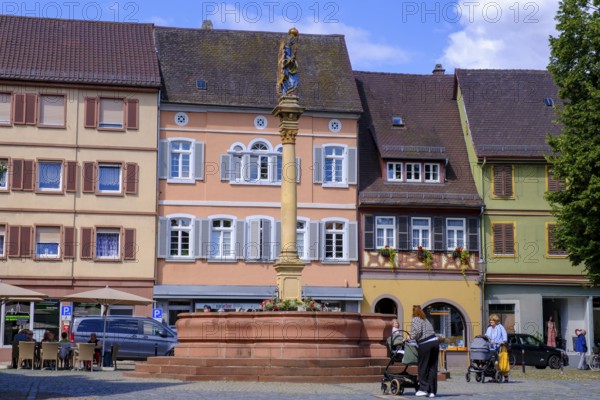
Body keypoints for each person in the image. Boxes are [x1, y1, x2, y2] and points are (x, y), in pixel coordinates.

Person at [410, 305, 439, 398]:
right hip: (435, 342)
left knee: (423, 366)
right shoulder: (426, 320)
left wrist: (410, 337)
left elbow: (417, 331)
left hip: (425, 343)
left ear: (413, 312)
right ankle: (432, 391)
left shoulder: (416, 319)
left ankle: (423, 389)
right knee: (432, 367)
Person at [485, 314, 509, 382]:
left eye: (492, 321)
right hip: (491, 347)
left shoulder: (500, 327)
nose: (491, 322)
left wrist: (503, 341)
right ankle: (493, 376)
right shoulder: (489, 328)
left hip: (499, 346)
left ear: (495, 321)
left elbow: (504, 335)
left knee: (500, 362)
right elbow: (486, 335)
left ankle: (506, 377)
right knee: (491, 361)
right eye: (490, 321)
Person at [277, 27, 299, 96]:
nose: (293, 41)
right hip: (286, 71)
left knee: (294, 82)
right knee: (289, 82)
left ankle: (288, 93)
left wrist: (293, 61)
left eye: (294, 39)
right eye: (292, 39)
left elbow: (292, 62)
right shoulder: (285, 49)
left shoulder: (290, 49)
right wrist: (290, 60)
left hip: (290, 71)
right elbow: (283, 61)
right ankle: (286, 93)